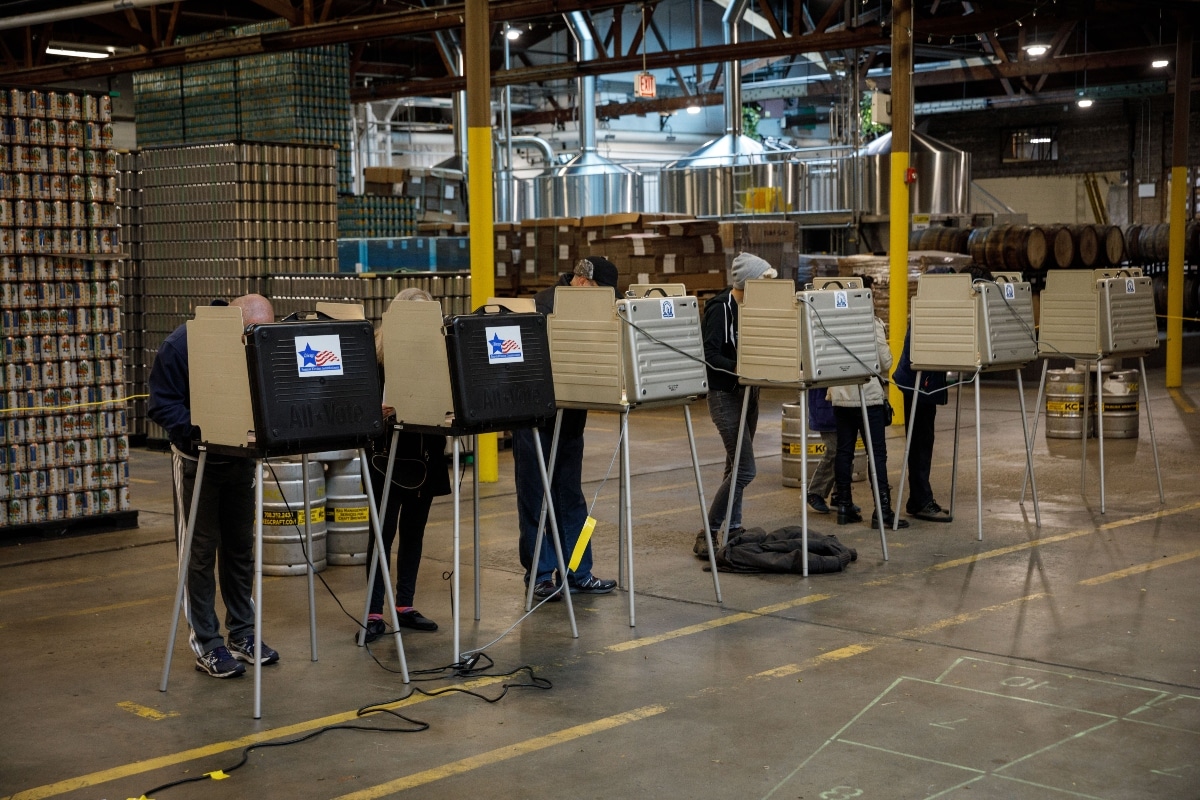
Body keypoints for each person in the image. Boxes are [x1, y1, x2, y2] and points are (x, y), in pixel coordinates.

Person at [148, 294, 280, 679]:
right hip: (197, 461)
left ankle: (242, 633)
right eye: (247, 336)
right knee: (199, 552)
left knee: (241, 548)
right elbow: (161, 405)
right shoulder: (181, 344)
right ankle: (207, 643)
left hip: (241, 459)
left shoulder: (255, 342)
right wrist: (206, 428)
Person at [514, 257, 619, 600]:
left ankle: (577, 571)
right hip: (535, 420)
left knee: (570, 497)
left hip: (571, 419)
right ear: (583, 282)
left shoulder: (590, 309)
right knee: (535, 498)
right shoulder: (542, 307)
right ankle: (541, 575)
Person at [362, 288, 452, 642]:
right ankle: (373, 610)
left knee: (414, 532)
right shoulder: (377, 356)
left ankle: (405, 605)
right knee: (382, 535)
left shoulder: (439, 354)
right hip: (386, 456)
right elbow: (361, 404)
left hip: (425, 454)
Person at [695, 251, 778, 558]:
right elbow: (710, 356)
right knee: (745, 469)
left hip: (749, 392)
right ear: (748, 283)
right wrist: (742, 366)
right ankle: (709, 530)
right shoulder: (721, 309)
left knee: (734, 466)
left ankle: (733, 528)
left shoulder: (755, 309)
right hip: (725, 395)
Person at [828, 280, 909, 530]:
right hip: (869, 397)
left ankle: (844, 506)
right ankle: (882, 510)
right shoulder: (870, 322)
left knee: (844, 452)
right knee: (877, 454)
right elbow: (885, 362)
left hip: (841, 397)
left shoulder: (833, 321)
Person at [891, 270, 954, 524]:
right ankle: (920, 500)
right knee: (919, 443)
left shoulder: (932, 307)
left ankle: (919, 499)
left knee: (923, 441)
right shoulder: (929, 311)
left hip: (922, 381)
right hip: (917, 382)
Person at [805, 387, 838, 514]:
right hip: (825, 408)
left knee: (846, 451)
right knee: (833, 450)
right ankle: (815, 492)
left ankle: (840, 494)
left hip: (842, 405)